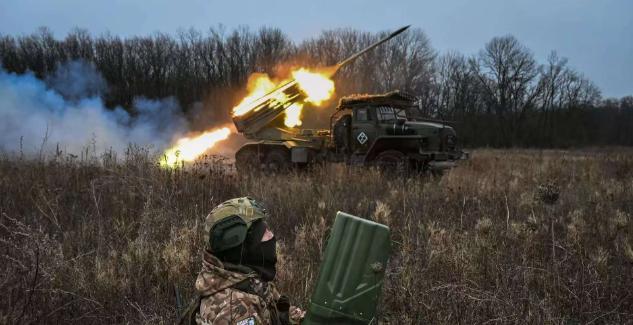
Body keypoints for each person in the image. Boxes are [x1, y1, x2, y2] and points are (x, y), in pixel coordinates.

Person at [180, 197, 305, 325]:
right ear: (242, 247)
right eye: (263, 232)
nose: (271, 236)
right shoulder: (239, 309)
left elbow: (280, 313)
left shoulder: (246, 280)